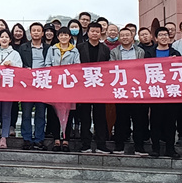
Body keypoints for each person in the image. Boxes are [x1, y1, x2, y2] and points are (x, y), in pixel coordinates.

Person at [110, 27, 146, 155]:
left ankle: (139, 147)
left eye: (127, 35)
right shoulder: (114, 52)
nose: (125, 37)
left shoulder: (140, 51)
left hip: (137, 89)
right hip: (122, 89)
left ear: (132, 37)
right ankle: (119, 146)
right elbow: (111, 67)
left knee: (138, 119)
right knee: (121, 118)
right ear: (119, 38)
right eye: (123, 35)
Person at [76, 22, 112, 153]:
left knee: (100, 116)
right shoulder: (80, 47)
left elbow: (109, 68)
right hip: (84, 86)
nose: (95, 34)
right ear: (88, 32)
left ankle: (101, 144)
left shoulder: (105, 49)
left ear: (101, 33)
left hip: (100, 87)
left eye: (97, 31)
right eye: (92, 31)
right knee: (85, 116)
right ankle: (85, 144)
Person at [44, 27, 80, 152]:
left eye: (66, 35)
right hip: (54, 85)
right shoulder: (52, 49)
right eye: (61, 35)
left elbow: (77, 67)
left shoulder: (74, 51)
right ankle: (56, 139)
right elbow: (47, 64)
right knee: (54, 114)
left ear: (70, 37)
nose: (63, 37)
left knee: (68, 113)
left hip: (68, 86)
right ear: (58, 37)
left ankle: (66, 139)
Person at [149, 27, 181, 158]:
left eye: (166, 35)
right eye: (161, 35)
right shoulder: (149, 53)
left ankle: (170, 148)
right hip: (155, 93)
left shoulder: (176, 53)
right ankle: (155, 148)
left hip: (171, 92)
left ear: (169, 37)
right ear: (156, 38)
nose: (163, 37)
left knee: (171, 123)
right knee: (155, 122)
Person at [18, 22, 51, 151]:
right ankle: (27, 139)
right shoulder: (23, 47)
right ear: (30, 33)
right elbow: (18, 64)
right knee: (26, 113)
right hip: (27, 86)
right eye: (34, 30)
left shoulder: (48, 48)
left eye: (38, 30)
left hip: (42, 84)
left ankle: (39, 139)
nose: (36, 33)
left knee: (41, 114)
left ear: (42, 33)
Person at [0, 29, 22, 149]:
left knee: (6, 113)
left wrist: (12, 64)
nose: (4, 39)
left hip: (9, 87)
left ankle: (4, 137)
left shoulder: (15, 54)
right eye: (2, 37)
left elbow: (20, 68)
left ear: (10, 40)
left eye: (6, 37)